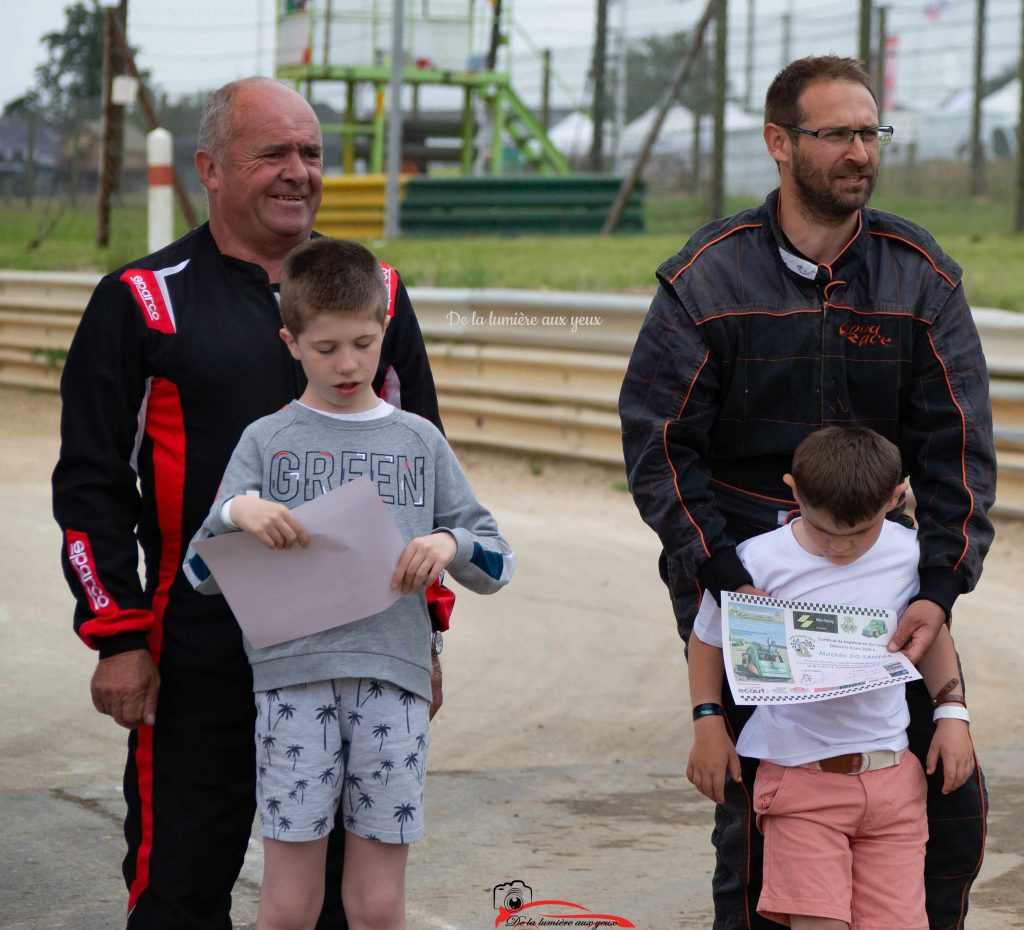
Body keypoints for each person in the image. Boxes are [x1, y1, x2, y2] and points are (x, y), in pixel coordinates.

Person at [51, 77, 446, 930]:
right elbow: (89, 485)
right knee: (182, 886)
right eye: (274, 152)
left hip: (361, 646)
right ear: (211, 169)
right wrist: (116, 635)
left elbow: (426, 476)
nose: (298, 171)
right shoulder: (142, 300)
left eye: (311, 152)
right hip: (200, 647)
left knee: (348, 898)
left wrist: (429, 631)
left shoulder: (374, 285)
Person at [618, 55, 995, 930]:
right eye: (838, 134)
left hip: (884, 584)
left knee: (946, 805)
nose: (860, 151)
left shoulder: (919, 277)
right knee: (765, 825)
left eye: (871, 132)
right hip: (751, 580)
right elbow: (657, 442)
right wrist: (720, 573)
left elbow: (960, 447)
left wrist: (941, 583)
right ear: (779, 143)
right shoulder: (706, 279)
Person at [182, 236, 515, 930]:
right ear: (290, 340)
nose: (347, 363)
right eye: (326, 346)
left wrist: (447, 542)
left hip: (392, 682)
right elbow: (197, 574)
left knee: (378, 903)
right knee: (288, 903)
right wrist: (235, 513)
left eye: (363, 343)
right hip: (291, 681)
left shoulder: (419, 441)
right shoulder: (266, 441)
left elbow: (497, 561)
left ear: (384, 330)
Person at [686, 428, 975, 930]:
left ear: (895, 498)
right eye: (824, 531)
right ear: (793, 489)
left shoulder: (911, 555)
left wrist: (952, 715)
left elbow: (930, 635)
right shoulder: (755, 563)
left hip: (893, 783)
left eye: (859, 533)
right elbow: (708, 640)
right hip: (802, 783)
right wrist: (708, 722)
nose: (841, 547)